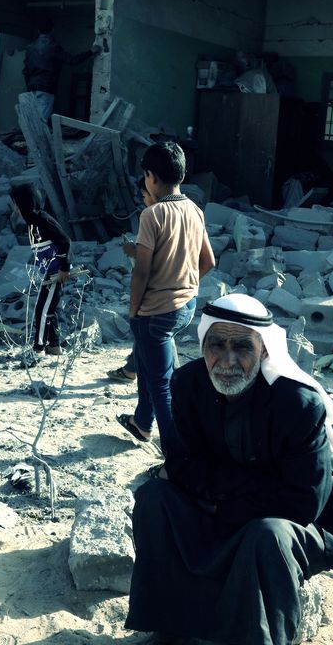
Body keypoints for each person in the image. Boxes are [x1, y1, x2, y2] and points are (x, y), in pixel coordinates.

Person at [125, 294, 333, 645]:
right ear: (204, 345)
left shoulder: (298, 404)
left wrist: (216, 500)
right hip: (237, 505)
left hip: (296, 523)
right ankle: (174, 631)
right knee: (154, 498)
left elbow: (302, 503)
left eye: (242, 347)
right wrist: (238, 491)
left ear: (264, 350)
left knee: (266, 534)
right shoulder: (187, 385)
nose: (227, 360)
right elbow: (180, 465)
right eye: (217, 345)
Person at [114, 142, 214, 457]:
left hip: (155, 311)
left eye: (145, 177)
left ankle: (176, 454)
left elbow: (141, 273)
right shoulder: (194, 209)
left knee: (162, 385)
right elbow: (209, 261)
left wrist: (133, 311)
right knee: (148, 364)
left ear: (151, 177)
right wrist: (184, 284)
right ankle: (142, 423)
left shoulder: (152, 214)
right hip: (185, 306)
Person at [9, 182, 72, 355]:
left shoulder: (43, 220)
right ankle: (54, 345)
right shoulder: (32, 223)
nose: (15, 208)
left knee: (42, 310)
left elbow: (65, 241)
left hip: (56, 272)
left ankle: (38, 348)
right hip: (49, 272)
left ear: (25, 203)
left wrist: (64, 268)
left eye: (17, 204)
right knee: (49, 309)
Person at [108, 177, 156, 383]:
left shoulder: (152, 216)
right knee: (152, 337)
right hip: (177, 295)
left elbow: (144, 270)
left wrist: (134, 307)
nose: (144, 201)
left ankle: (133, 371)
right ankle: (131, 368)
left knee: (146, 331)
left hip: (157, 295)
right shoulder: (189, 212)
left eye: (144, 196)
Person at [23, 17, 100, 123]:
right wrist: (90, 52)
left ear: (38, 30)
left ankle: (27, 139)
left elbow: (26, 71)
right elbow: (72, 60)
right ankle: (34, 140)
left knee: (32, 121)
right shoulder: (53, 47)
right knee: (41, 123)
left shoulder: (30, 48)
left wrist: (29, 85)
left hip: (31, 88)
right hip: (46, 87)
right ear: (52, 30)